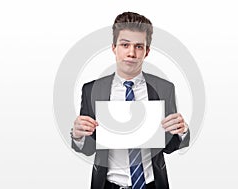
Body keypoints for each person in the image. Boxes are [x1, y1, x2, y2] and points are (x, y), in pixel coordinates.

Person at [71, 12, 190, 189]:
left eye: (139, 46)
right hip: (108, 184)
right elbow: (89, 148)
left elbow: (168, 145)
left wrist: (182, 131)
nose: (131, 53)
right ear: (114, 48)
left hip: (152, 184)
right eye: (125, 45)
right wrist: (78, 135)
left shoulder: (164, 88)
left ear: (147, 51)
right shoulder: (91, 90)